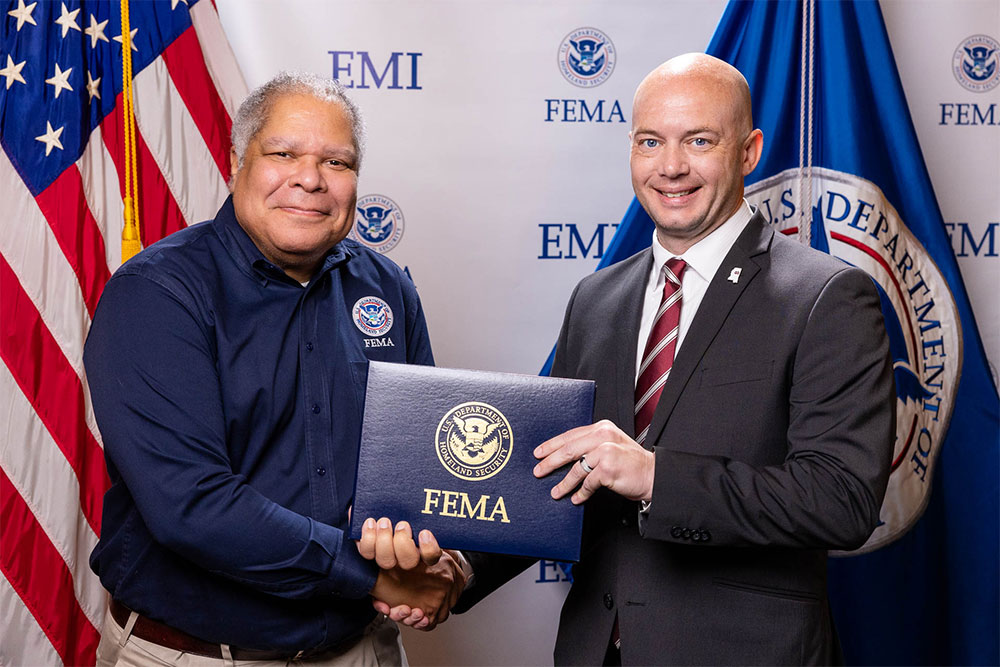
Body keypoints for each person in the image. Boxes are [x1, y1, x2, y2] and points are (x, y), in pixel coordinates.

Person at [423, 53, 894, 665]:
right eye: (651, 141)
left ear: (749, 152)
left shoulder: (826, 296)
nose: (671, 167)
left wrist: (654, 476)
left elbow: (841, 500)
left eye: (699, 140)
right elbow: (552, 480)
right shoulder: (596, 298)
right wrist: (457, 573)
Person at [85, 71, 465, 666]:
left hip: (362, 648)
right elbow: (192, 505)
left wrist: (443, 564)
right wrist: (372, 578)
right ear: (238, 159)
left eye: (336, 163)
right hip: (200, 655)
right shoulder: (158, 294)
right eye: (283, 153)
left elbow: (423, 463)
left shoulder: (388, 287)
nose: (310, 179)